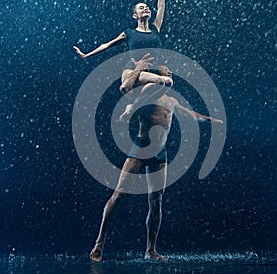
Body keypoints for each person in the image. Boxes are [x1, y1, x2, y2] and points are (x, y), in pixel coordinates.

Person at [89, 66, 223, 263]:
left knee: (156, 200)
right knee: (119, 195)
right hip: (140, 150)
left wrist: (212, 120)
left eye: (171, 74)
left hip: (160, 154)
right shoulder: (146, 95)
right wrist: (127, 113)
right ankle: (99, 243)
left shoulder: (172, 101)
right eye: (166, 74)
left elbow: (191, 116)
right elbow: (128, 103)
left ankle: (150, 250)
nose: (170, 76)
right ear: (158, 78)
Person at [73, 0, 171, 93]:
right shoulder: (129, 33)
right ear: (135, 15)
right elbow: (106, 45)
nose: (146, 8)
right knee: (160, 81)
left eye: (147, 7)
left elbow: (161, 7)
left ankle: (135, 105)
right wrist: (86, 55)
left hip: (151, 69)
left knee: (168, 81)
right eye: (141, 7)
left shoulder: (155, 28)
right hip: (135, 70)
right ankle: (132, 94)